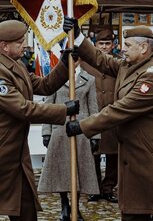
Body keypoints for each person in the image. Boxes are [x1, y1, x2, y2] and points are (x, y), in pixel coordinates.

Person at [63, 18, 153, 221]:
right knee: (133, 212)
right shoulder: (130, 65)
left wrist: (82, 125)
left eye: (128, 46)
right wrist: (78, 36)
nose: (123, 49)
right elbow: (101, 60)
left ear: (143, 48)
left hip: (152, 157)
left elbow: (120, 109)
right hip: (133, 155)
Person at [0, 20, 79, 221]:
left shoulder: (16, 66)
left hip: (16, 153)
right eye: (19, 43)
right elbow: (22, 108)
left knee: (26, 208)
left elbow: (44, 85)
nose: (25, 46)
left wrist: (64, 62)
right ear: (4, 45)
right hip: (3, 151)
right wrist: (63, 110)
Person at [38, 61, 100, 221]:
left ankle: (76, 206)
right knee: (61, 170)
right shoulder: (56, 78)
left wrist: (95, 135)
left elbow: (93, 107)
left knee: (79, 170)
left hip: (81, 130)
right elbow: (48, 105)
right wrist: (46, 132)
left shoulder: (89, 79)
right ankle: (64, 205)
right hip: (59, 129)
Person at [80, 29, 119, 203]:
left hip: (113, 115)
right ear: (95, 45)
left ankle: (108, 187)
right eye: (101, 44)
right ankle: (94, 187)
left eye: (107, 44)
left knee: (114, 154)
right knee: (92, 153)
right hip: (93, 115)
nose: (104, 47)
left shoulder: (118, 64)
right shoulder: (85, 64)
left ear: (113, 45)